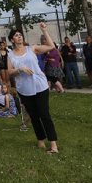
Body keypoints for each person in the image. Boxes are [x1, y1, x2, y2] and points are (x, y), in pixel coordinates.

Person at [8, 24, 59, 153]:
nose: (19, 37)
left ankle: (53, 145)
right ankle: (40, 141)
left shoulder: (32, 49)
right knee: (34, 116)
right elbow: (9, 72)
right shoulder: (11, 55)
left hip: (39, 86)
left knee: (44, 114)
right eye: (16, 35)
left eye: (20, 35)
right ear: (12, 40)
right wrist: (20, 69)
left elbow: (51, 46)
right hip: (24, 89)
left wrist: (44, 30)